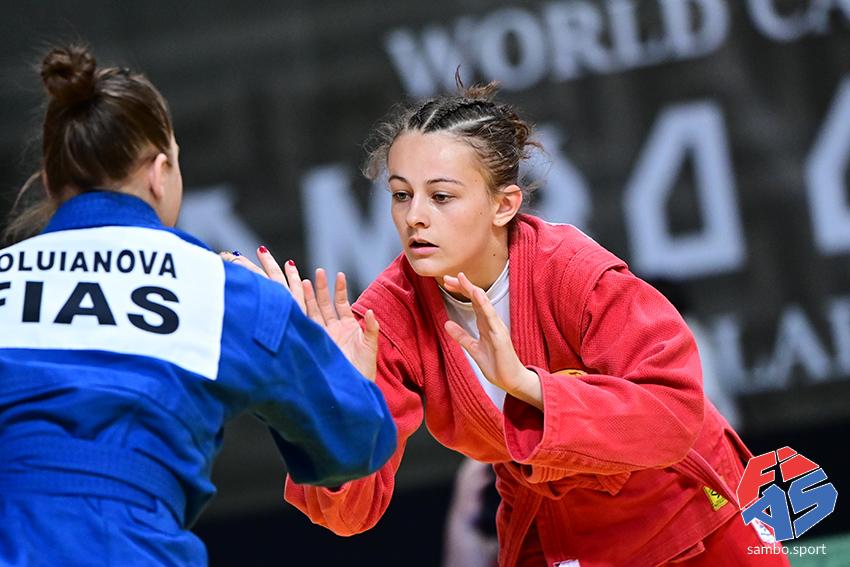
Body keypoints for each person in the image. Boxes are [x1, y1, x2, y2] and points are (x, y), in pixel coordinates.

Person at [242, 82, 791, 565]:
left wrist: (528, 386)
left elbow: (674, 413)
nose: (415, 217)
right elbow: (347, 517)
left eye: (441, 196)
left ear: (504, 204)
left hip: (688, 513)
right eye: (402, 195)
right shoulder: (385, 321)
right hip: (553, 532)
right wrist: (326, 394)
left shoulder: (572, 271)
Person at [0, 44, 396, 566]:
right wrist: (345, 379)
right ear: (160, 172)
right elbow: (354, 444)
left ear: (51, 183)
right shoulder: (224, 290)